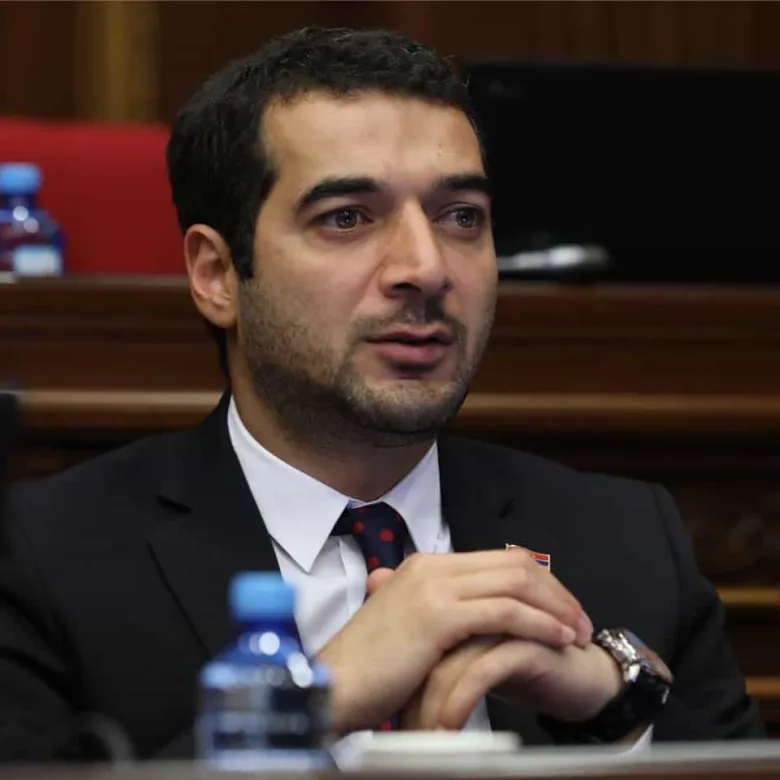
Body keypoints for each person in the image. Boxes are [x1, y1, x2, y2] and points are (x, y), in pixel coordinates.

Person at [0, 27, 765, 762]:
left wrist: (612, 707)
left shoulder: (626, 540)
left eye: (461, 217)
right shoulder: (44, 557)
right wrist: (313, 702)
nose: (426, 268)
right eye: (347, 218)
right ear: (217, 275)